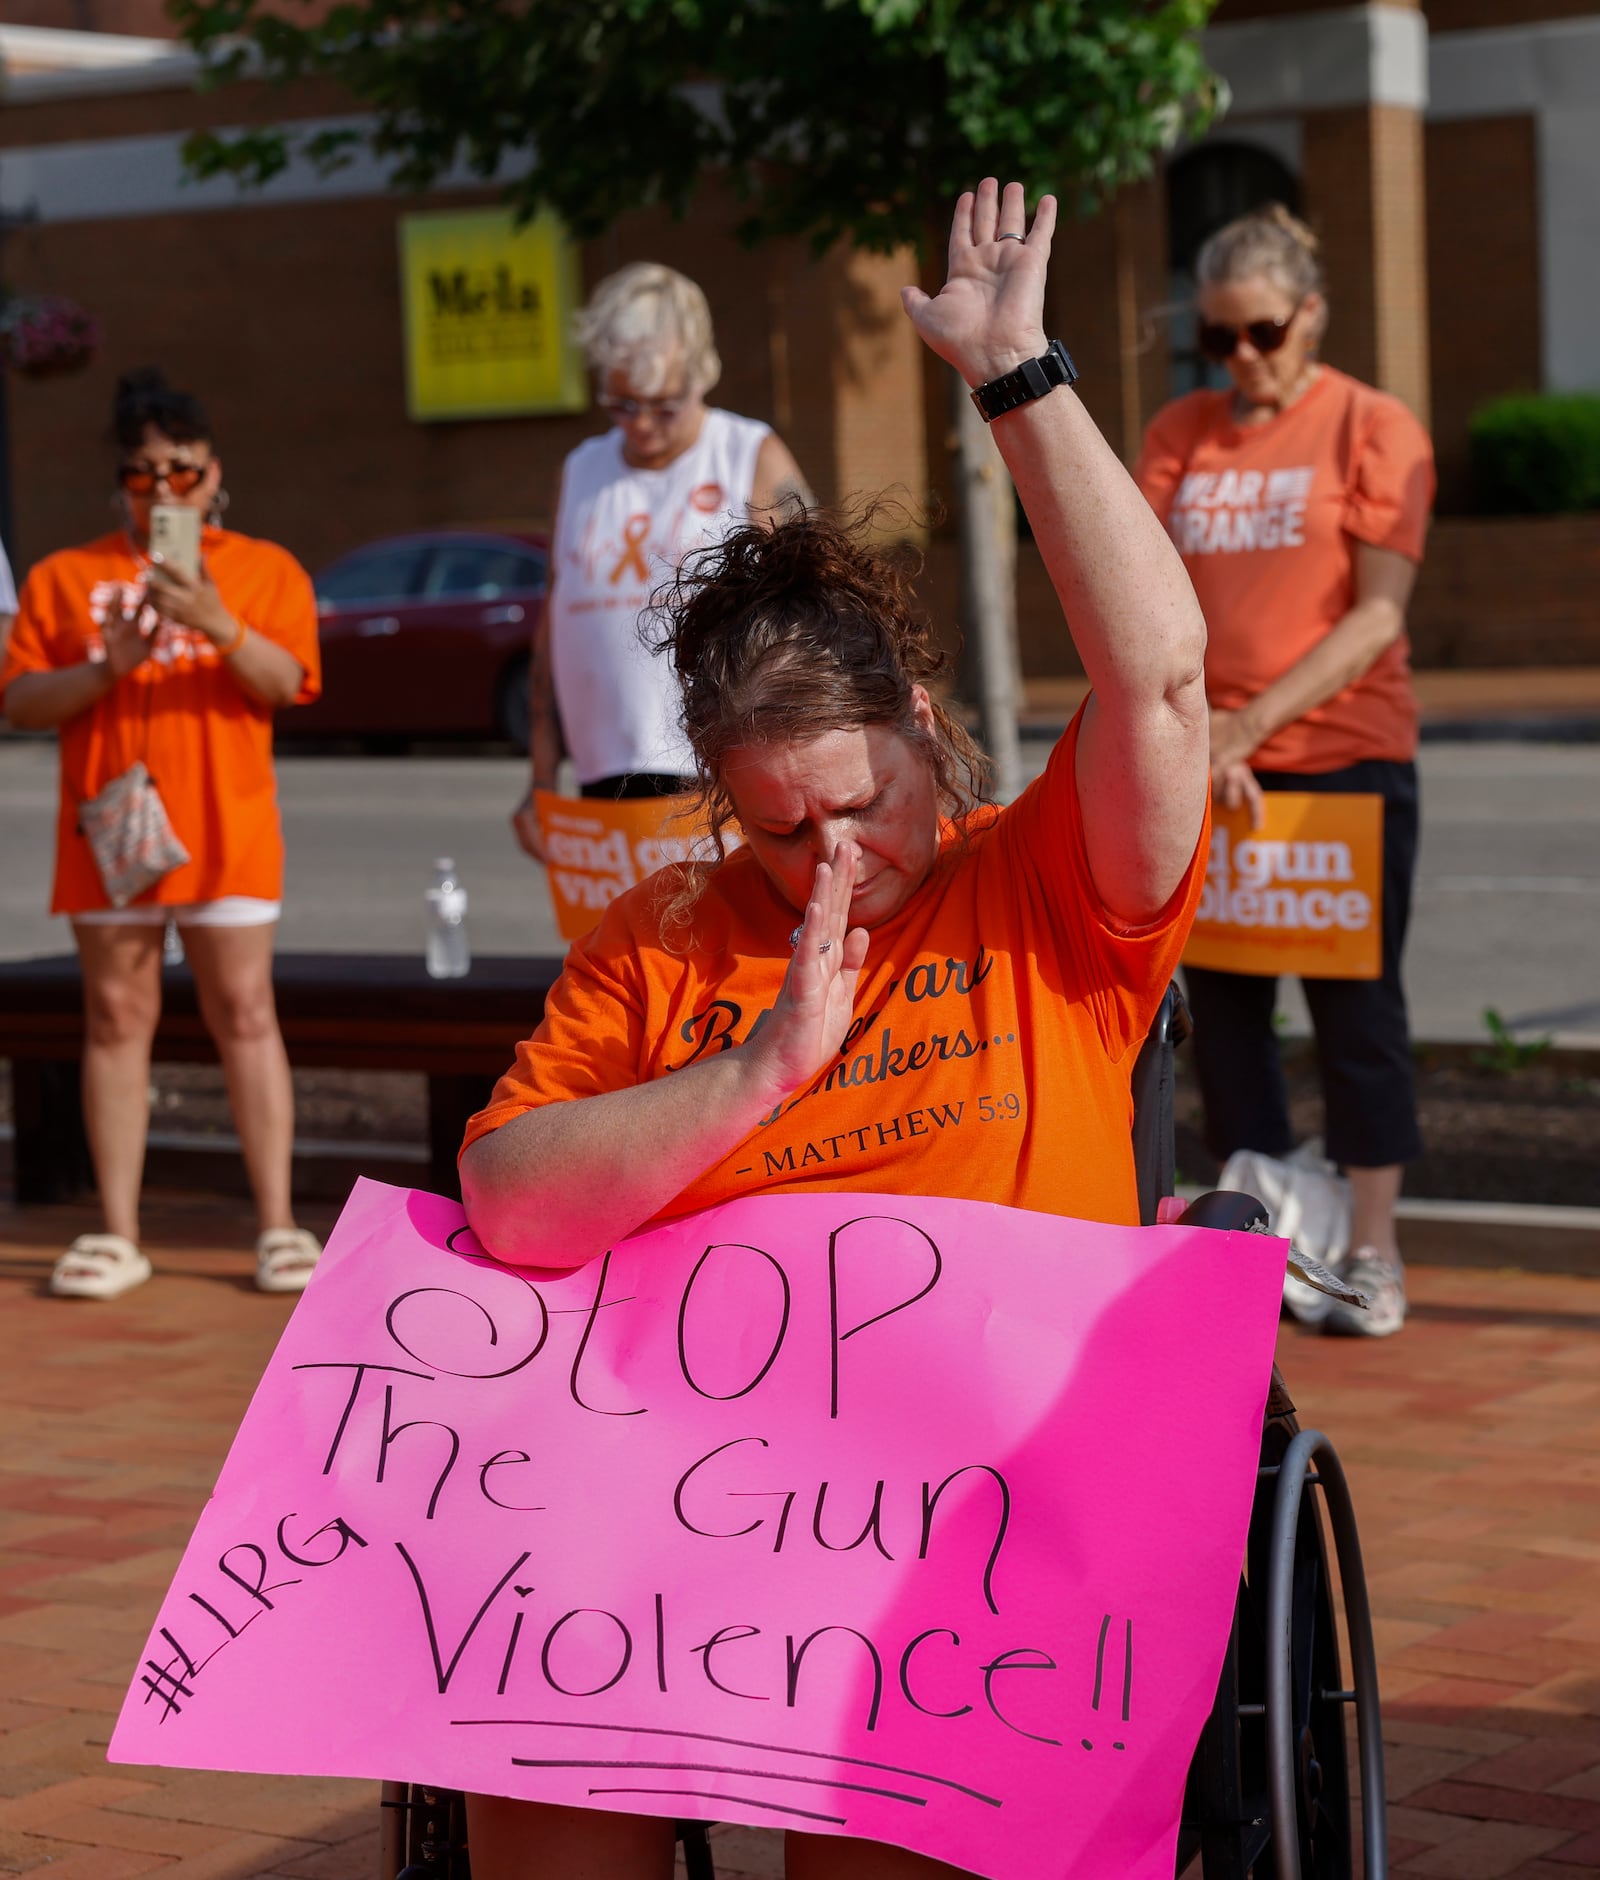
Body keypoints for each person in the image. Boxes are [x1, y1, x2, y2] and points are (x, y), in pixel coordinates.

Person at [459, 179, 1212, 1880]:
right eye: (775, 832)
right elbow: (512, 1198)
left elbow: (1162, 679)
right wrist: (758, 1071)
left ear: (925, 729)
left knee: (893, 1805)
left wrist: (1019, 379)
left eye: (860, 808)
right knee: (528, 1751)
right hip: (701, 1509)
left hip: (979, 1515)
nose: (832, 865)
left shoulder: (1048, 883)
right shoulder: (664, 937)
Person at [1134, 204, 1436, 1339]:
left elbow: (1375, 618)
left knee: (1358, 1010)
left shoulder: (1372, 425)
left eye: (1260, 332)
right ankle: (1254, 1244)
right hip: (1212, 765)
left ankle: (1372, 1247)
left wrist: (1242, 726)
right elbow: (1141, 594)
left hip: (1341, 760)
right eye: (1217, 340)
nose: (1241, 361)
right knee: (1224, 1016)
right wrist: (1199, 736)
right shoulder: (1179, 431)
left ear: (1310, 314)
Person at [0, 367, 324, 1300]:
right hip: (114, 832)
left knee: (246, 1014)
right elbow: (22, 699)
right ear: (120, 483)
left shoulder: (264, 569)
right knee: (114, 1019)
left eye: (181, 473)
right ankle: (118, 1231)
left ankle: (276, 1224)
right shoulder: (68, 576)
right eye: (144, 476)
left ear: (213, 475)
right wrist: (110, 666)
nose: (164, 491)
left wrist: (215, 621)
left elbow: (284, 682)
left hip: (228, 828)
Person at [510, 261, 810, 860]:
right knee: (612, 951)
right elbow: (555, 627)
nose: (641, 425)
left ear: (702, 375)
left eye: (664, 406)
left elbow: (811, 616)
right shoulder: (581, 471)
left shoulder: (746, 454)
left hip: (720, 768)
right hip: (604, 770)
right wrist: (540, 781)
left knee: (717, 949)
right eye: (621, 405)